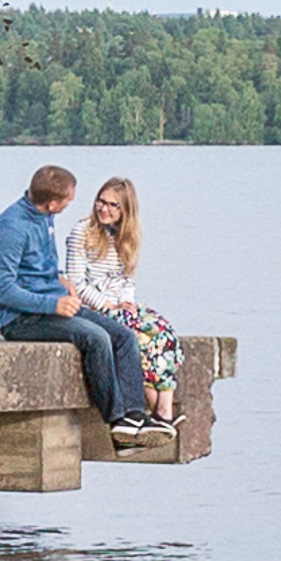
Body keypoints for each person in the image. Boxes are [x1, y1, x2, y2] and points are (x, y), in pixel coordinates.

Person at [0, 164, 155, 428]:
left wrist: (60, 279)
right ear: (53, 203)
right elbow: (3, 290)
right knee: (96, 338)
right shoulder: (11, 229)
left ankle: (135, 416)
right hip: (22, 318)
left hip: (53, 305)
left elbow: (36, 267)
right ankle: (116, 420)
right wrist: (53, 304)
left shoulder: (43, 216)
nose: (71, 204)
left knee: (123, 336)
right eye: (68, 200)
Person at [73, 174, 178, 431]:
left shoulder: (126, 237)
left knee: (164, 332)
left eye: (112, 205)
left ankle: (166, 406)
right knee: (139, 338)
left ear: (125, 210)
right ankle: (157, 411)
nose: (103, 209)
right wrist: (108, 305)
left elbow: (126, 279)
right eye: (101, 201)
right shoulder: (82, 232)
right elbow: (76, 282)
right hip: (94, 308)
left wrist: (127, 303)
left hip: (120, 305)